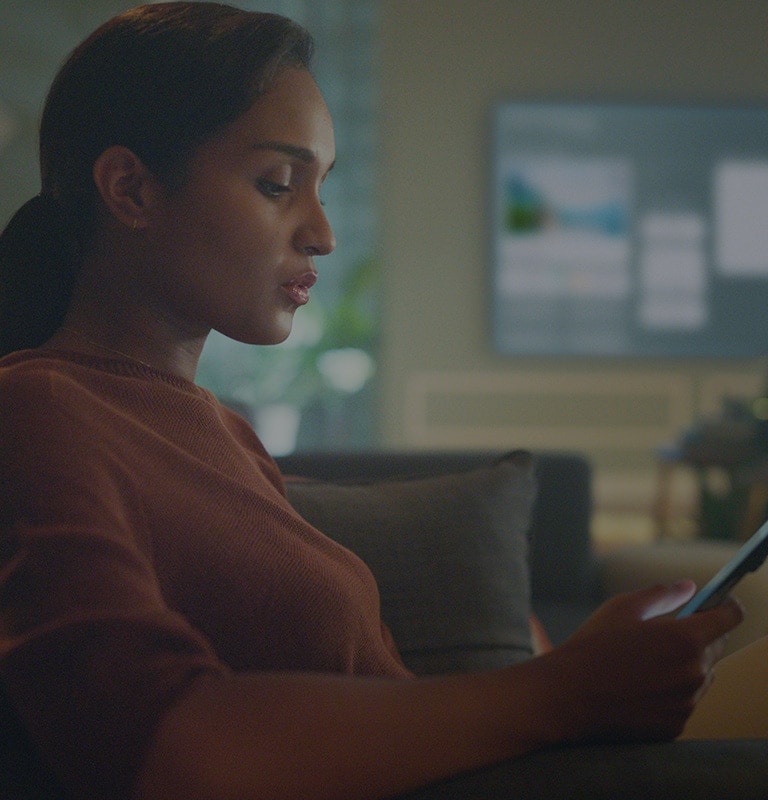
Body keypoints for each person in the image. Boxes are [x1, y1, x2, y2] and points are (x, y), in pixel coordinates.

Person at [0, 3, 745, 799]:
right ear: (130, 188)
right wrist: (562, 695)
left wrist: (568, 676)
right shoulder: (38, 410)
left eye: (321, 188)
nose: (321, 233)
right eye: (277, 184)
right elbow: (164, 749)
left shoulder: (222, 432)